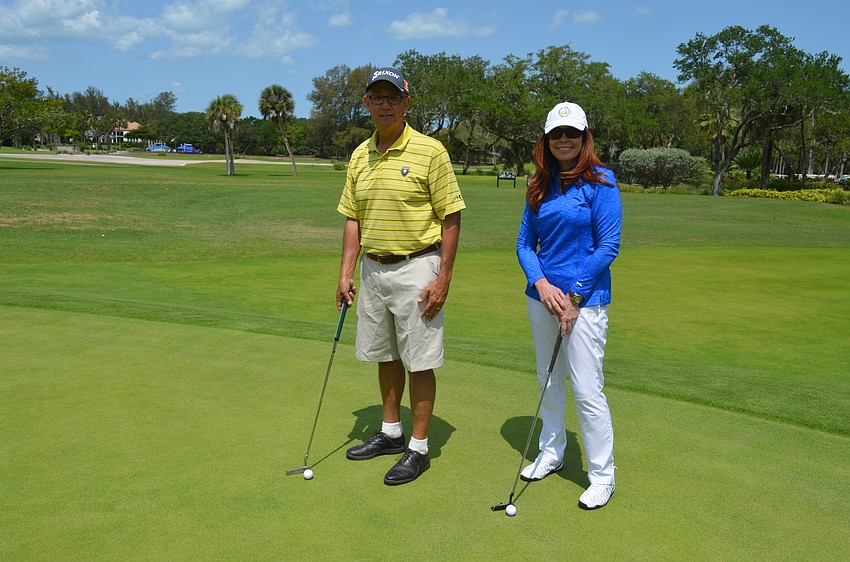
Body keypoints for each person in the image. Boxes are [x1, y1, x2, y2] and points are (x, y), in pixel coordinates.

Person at [336, 67, 465, 486]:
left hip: (417, 266)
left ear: (407, 103)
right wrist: (345, 272)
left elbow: (451, 215)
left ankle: (419, 448)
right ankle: (391, 432)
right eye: (377, 97)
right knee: (385, 355)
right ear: (367, 103)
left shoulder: (431, 151)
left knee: (420, 362)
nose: (385, 104)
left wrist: (443, 277)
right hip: (373, 269)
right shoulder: (360, 154)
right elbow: (353, 218)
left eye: (393, 97)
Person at [516, 101, 622, 510]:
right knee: (547, 377)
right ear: (546, 139)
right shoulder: (538, 184)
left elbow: (608, 245)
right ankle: (552, 451)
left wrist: (573, 296)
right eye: (556, 134)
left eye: (571, 134)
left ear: (583, 138)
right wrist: (541, 285)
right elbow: (525, 244)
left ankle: (602, 475)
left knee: (587, 388)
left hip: (586, 302)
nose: (564, 140)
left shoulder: (602, 182)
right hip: (542, 299)